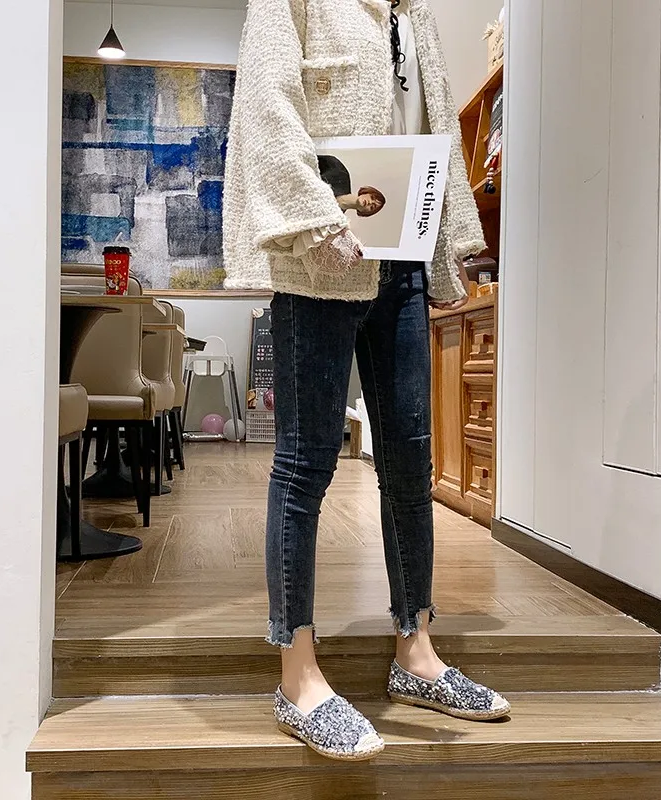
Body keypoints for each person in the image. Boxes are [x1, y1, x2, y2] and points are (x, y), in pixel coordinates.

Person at [223, 0, 510, 761]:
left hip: (402, 261)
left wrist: (450, 245)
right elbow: (269, 106)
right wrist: (314, 218)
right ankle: (297, 676)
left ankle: (417, 651)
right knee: (305, 464)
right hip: (319, 258)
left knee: (410, 460)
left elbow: (437, 130)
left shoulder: (415, 16)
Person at [317, 155, 387, 218]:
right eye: (372, 197)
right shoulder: (340, 174)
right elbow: (312, 159)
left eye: (372, 207)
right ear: (365, 192)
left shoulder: (334, 218)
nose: (370, 202)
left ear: (364, 212)